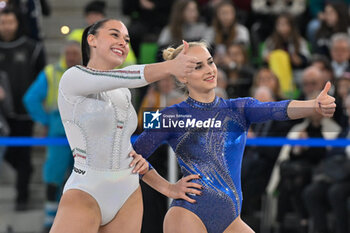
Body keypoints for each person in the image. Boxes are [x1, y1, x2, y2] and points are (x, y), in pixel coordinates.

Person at [132, 41, 336, 233]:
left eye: (210, 62)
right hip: (187, 214)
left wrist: (313, 105)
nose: (209, 70)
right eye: (198, 66)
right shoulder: (172, 116)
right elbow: (133, 156)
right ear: (182, 77)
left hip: (230, 220)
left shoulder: (238, 108)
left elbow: (276, 108)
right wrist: (168, 188)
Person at [50, 18, 200, 233]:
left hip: (128, 192)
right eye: (115, 35)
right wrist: (170, 67)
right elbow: (127, 76)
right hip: (86, 190)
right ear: (91, 39)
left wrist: (169, 188)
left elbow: (127, 152)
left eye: (127, 39)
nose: (123, 42)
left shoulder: (123, 93)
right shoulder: (73, 77)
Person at [23, 40, 81, 232]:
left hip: (83, 134)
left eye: (75, 53)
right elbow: (30, 99)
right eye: (69, 53)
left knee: (81, 180)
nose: (72, 56)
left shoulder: (89, 72)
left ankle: (77, 219)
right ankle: (50, 220)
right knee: (54, 177)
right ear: (63, 54)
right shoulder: (51, 73)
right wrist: (46, 121)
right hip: (59, 133)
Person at [0, 7, 46, 211]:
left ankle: (22, 196)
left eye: (10, 22)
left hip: (25, 113)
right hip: (2, 114)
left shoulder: (32, 48)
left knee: (24, 154)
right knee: (11, 153)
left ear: (18, 23)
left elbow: (42, 78)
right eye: (2, 23)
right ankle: (23, 170)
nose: (6, 27)